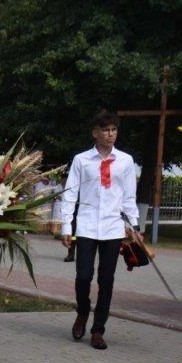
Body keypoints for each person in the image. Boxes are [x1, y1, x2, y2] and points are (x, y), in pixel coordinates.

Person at [60, 110, 139, 350]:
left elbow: (129, 196)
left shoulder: (125, 161)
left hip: (113, 227)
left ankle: (98, 330)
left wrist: (134, 226)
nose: (110, 134)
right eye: (105, 130)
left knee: (106, 280)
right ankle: (83, 311)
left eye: (114, 130)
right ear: (95, 133)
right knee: (84, 276)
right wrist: (66, 226)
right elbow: (70, 194)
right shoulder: (81, 160)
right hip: (86, 225)